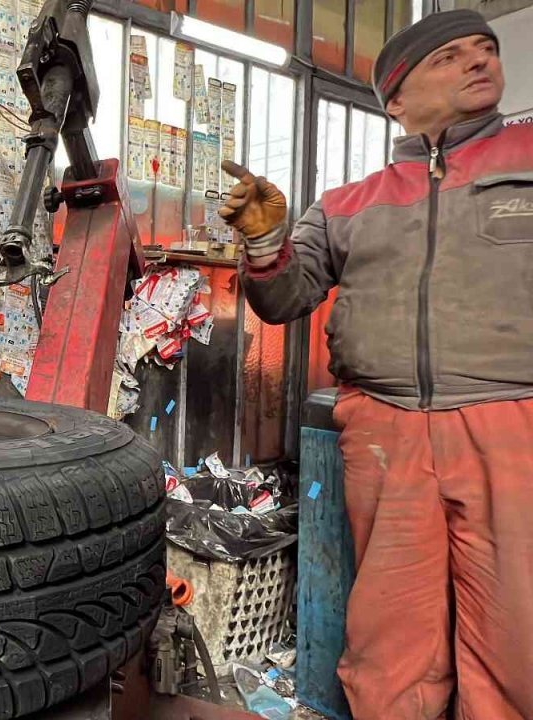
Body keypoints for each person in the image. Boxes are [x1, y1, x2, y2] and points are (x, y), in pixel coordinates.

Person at [218, 10, 533, 719]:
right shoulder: (347, 205)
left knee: (520, 641)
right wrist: (266, 241)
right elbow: (286, 297)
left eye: (485, 49)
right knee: (391, 638)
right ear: (395, 95)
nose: (480, 61)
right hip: (386, 432)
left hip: (514, 424)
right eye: (449, 56)